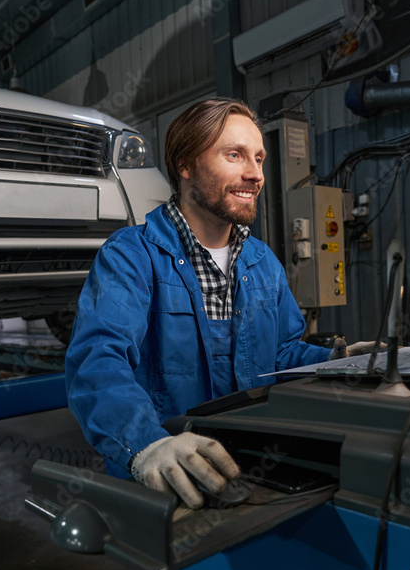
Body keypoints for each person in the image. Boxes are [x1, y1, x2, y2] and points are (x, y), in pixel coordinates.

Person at [66, 98, 365, 508]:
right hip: (170, 482)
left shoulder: (262, 262)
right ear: (186, 165)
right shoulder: (131, 256)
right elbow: (98, 361)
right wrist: (147, 445)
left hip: (253, 471)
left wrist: (338, 360)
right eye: (235, 155)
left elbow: (280, 352)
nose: (255, 173)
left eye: (259, 158)